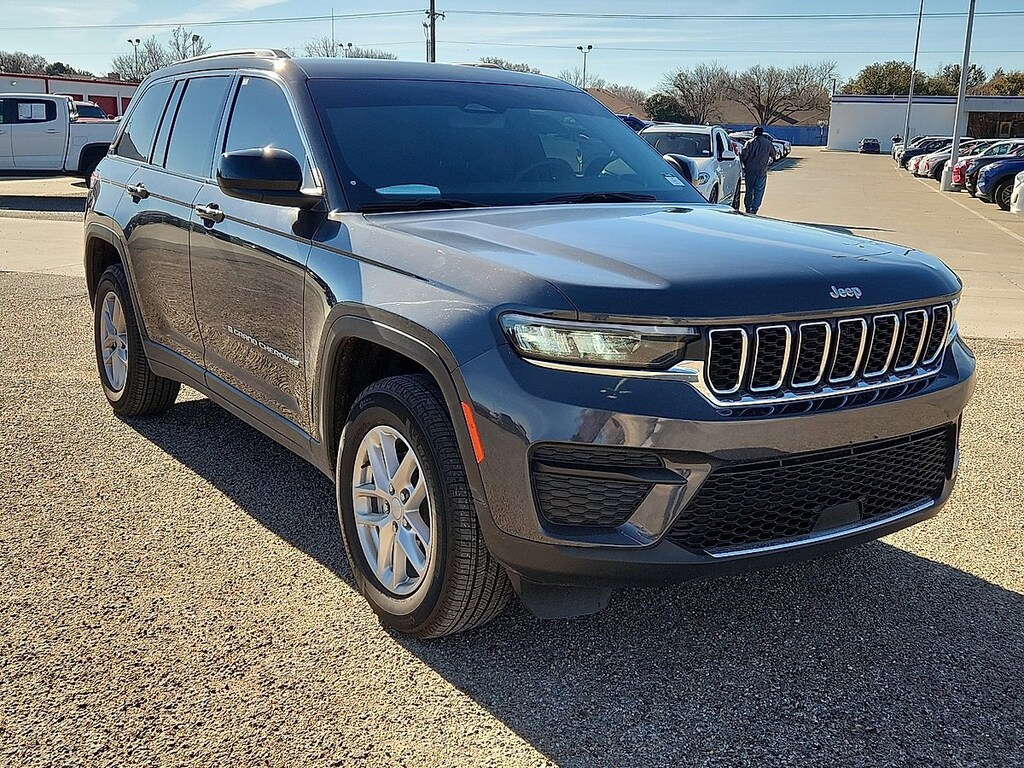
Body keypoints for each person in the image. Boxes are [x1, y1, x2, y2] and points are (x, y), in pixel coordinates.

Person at [739, 126, 775, 214]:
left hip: (750, 170)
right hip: (761, 171)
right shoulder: (768, 143)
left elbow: (744, 156)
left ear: (754, 133)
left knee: (749, 191)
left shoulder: (749, 143)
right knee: (758, 191)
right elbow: (773, 154)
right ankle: (754, 209)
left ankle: (747, 208)